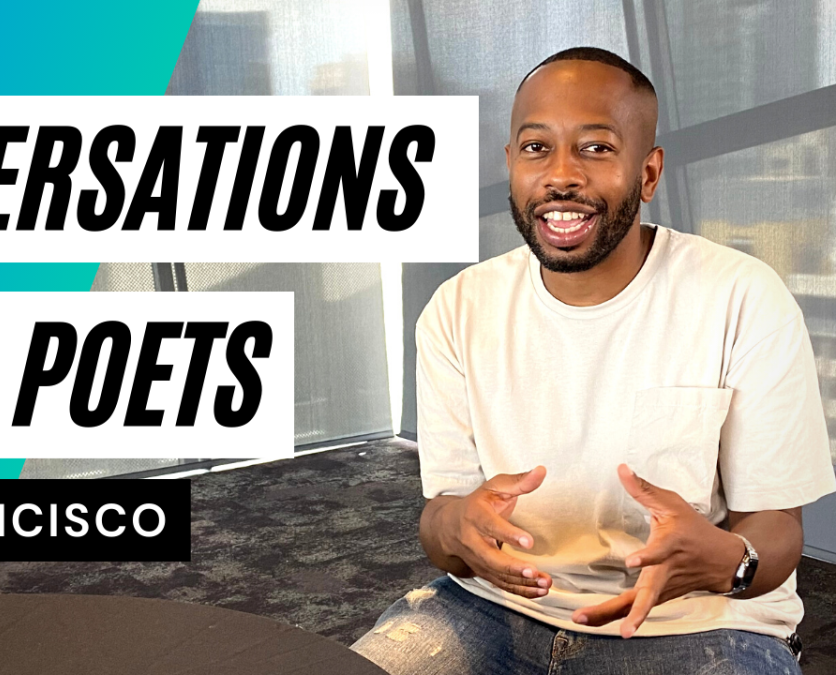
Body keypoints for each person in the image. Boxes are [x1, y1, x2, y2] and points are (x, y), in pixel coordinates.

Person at [351, 47, 836, 675]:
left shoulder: (741, 296)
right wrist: (456, 531)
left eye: (596, 148)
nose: (560, 176)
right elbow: (443, 521)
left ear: (649, 173)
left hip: (694, 624)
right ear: (510, 165)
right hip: (490, 609)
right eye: (535, 148)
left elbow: (775, 533)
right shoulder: (458, 308)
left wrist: (724, 561)